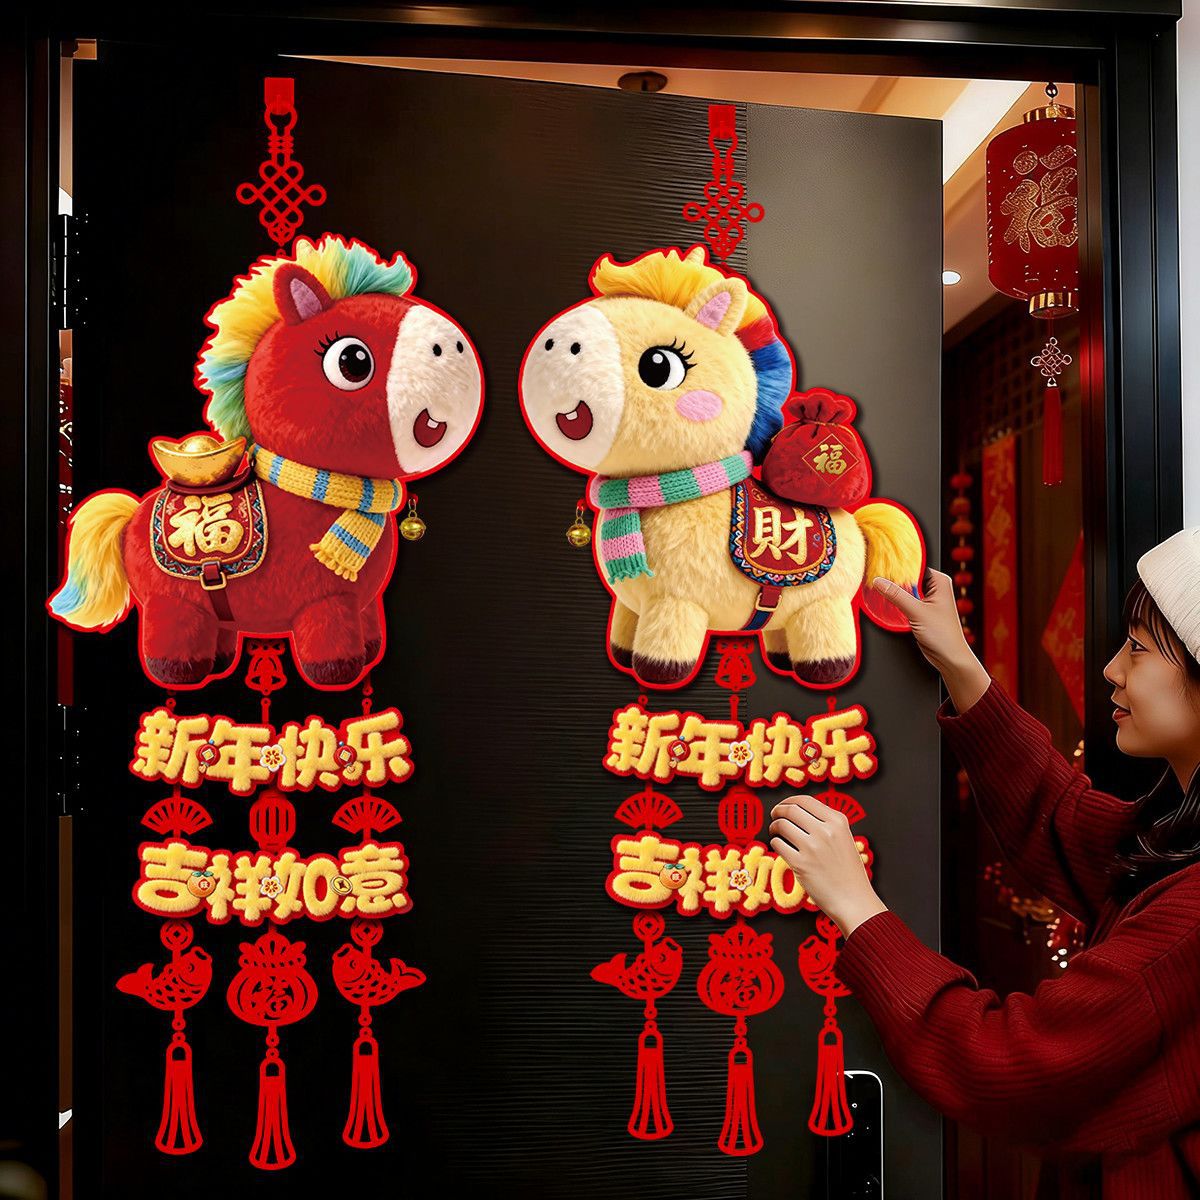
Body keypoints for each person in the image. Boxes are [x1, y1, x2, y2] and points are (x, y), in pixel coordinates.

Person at [768, 526, 1200, 1199]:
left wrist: (858, 908)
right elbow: (1065, 824)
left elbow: (1008, 1064)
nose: (1113, 669)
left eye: (1140, 649)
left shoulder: (1190, 921)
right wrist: (962, 667)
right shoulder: (1176, 836)